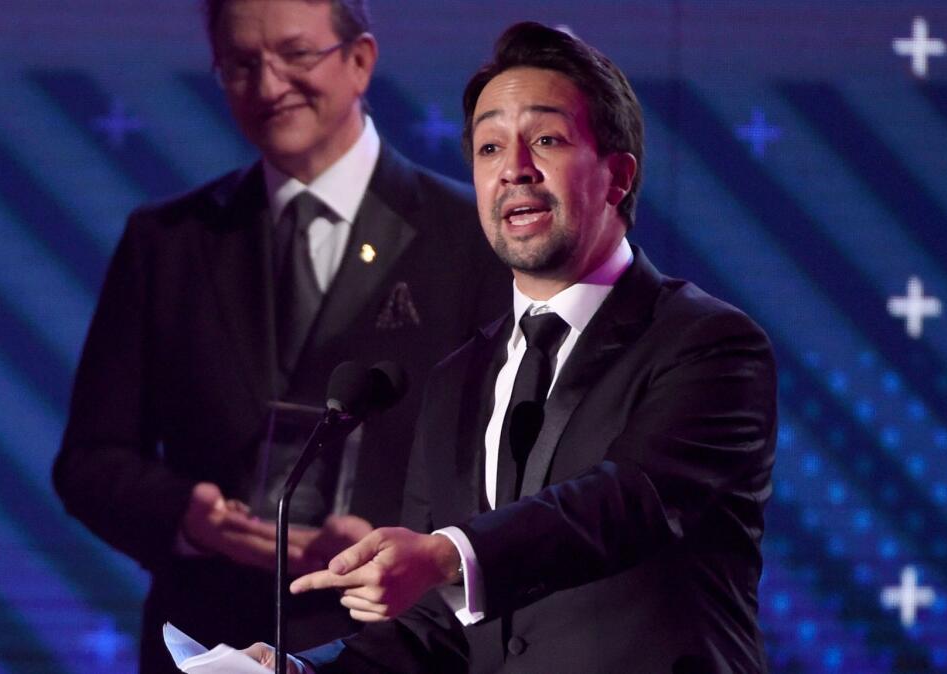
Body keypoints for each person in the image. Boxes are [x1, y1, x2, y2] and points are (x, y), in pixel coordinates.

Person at [254, 20, 778, 674]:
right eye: (489, 148)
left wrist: (447, 554)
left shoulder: (709, 344)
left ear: (618, 175)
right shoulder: (455, 380)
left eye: (547, 140)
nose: (514, 170)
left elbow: (632, 500)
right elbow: (432, 626)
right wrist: (301, 671)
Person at [51, 0, 509, 672]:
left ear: (360, 61)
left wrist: (416, 546)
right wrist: (188, 518)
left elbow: (523, 473)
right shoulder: (169, 243)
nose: (268, 87)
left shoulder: (475, 241)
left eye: (296, 55)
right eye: (241, 65)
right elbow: (90, 461)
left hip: (398, 648)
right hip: (209, 645)